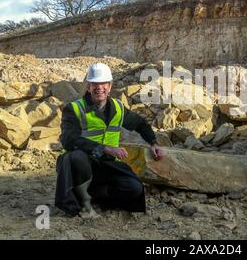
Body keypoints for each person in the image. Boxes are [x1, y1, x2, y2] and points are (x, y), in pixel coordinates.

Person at [55, 63, 165, 219]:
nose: (99, 87)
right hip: (76, 167)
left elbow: (141, 124)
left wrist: (153, 143)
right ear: (88, 87)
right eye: (95, 84)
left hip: (105, 166)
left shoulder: (117, 108)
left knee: (134, 188)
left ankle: (93, 195)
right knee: (77, 157)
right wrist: (104, 148)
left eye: (103, 83)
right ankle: (83, 205)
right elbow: (68, 140)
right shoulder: (74, 109)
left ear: (110, 86)